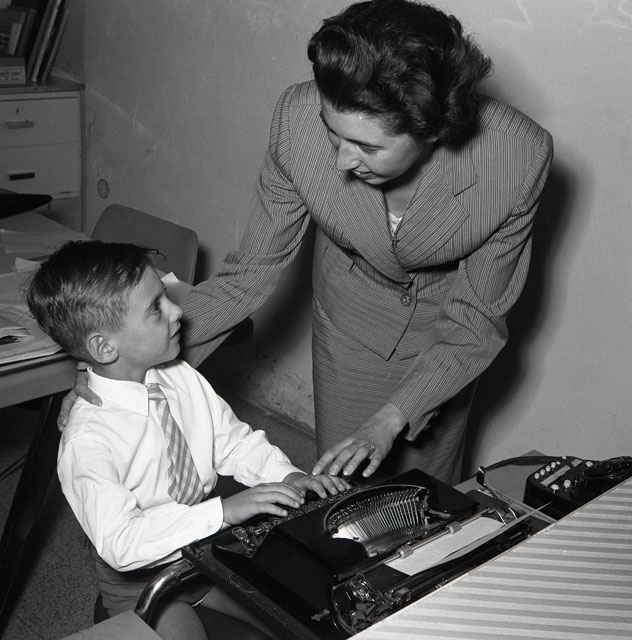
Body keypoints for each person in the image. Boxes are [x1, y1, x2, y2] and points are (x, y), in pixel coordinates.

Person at [63, 0, 553, 487]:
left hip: (443, 325)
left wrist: (391, 419)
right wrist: (116, 373)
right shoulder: (296, 122)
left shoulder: (516, 158)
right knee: (344, 486)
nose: (341, 163)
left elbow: (474, 321)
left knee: (426, 492)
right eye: (333, 132)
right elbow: (246, 276)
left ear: (434, 129)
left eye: (367, 147)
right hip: (350, 309)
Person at [27, 240, 347, 640]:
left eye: (165, 296)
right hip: (141, 582)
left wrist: (288, 476)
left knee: (295, 621)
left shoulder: (180, 376)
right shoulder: (87, 440)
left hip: (204, 557)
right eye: (156, 308)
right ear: (104, 347)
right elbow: (121, 541)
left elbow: (234, 443)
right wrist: (223, 512)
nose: (177, 310)